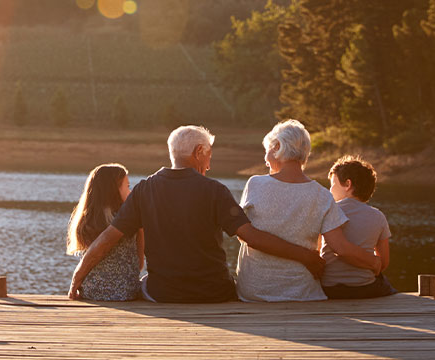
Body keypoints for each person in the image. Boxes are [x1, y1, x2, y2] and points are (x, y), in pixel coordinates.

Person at [68, 125, 325, 303]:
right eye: (209, 155)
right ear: (198, 152)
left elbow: (107, 239)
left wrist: (77, 279)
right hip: (215, 293)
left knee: (145, 282)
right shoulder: (215, 190)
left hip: (163, 294)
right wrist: (307, 256)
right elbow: (251, 237)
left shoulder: (144, 189)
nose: (210, 164)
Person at [236, 119, 381, 302]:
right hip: (301, 293)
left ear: (278, 147)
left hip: (254, 292)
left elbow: (243, 235)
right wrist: (374, 262)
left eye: (267, 152)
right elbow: (341, 248)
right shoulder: (322, 195)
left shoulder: (255, 184)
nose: (265, 161)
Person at [320, 155, 398, 299]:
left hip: (329, 289)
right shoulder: (378, 216)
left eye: (332, 184)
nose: (330, 190)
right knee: (385, 284)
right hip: (365, 288)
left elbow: (318, 252)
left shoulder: (327, 211)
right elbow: (384, 263)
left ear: (347, 184)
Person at [66, 163, 144, 301]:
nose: (130, 192)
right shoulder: (128, 220)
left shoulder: (86, 220)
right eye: (127, 186)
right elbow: (139, 264)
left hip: (92, 291)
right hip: (125, 293)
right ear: (113, 190)